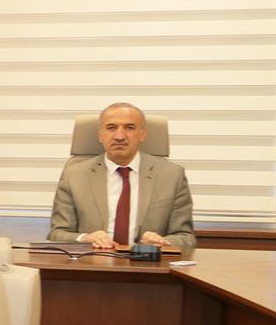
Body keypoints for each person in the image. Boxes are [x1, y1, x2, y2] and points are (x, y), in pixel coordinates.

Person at [50, 102, 196, 253]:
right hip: (93, 260)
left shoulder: (172, 175)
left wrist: (163, 242)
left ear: (142, 134)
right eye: (111, 127)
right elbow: (57, 234)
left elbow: (186, 238)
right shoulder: (74, 175)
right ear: (100, 135)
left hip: (147, 262)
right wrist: (85, 238)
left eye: (129, 128)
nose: (119, 136)